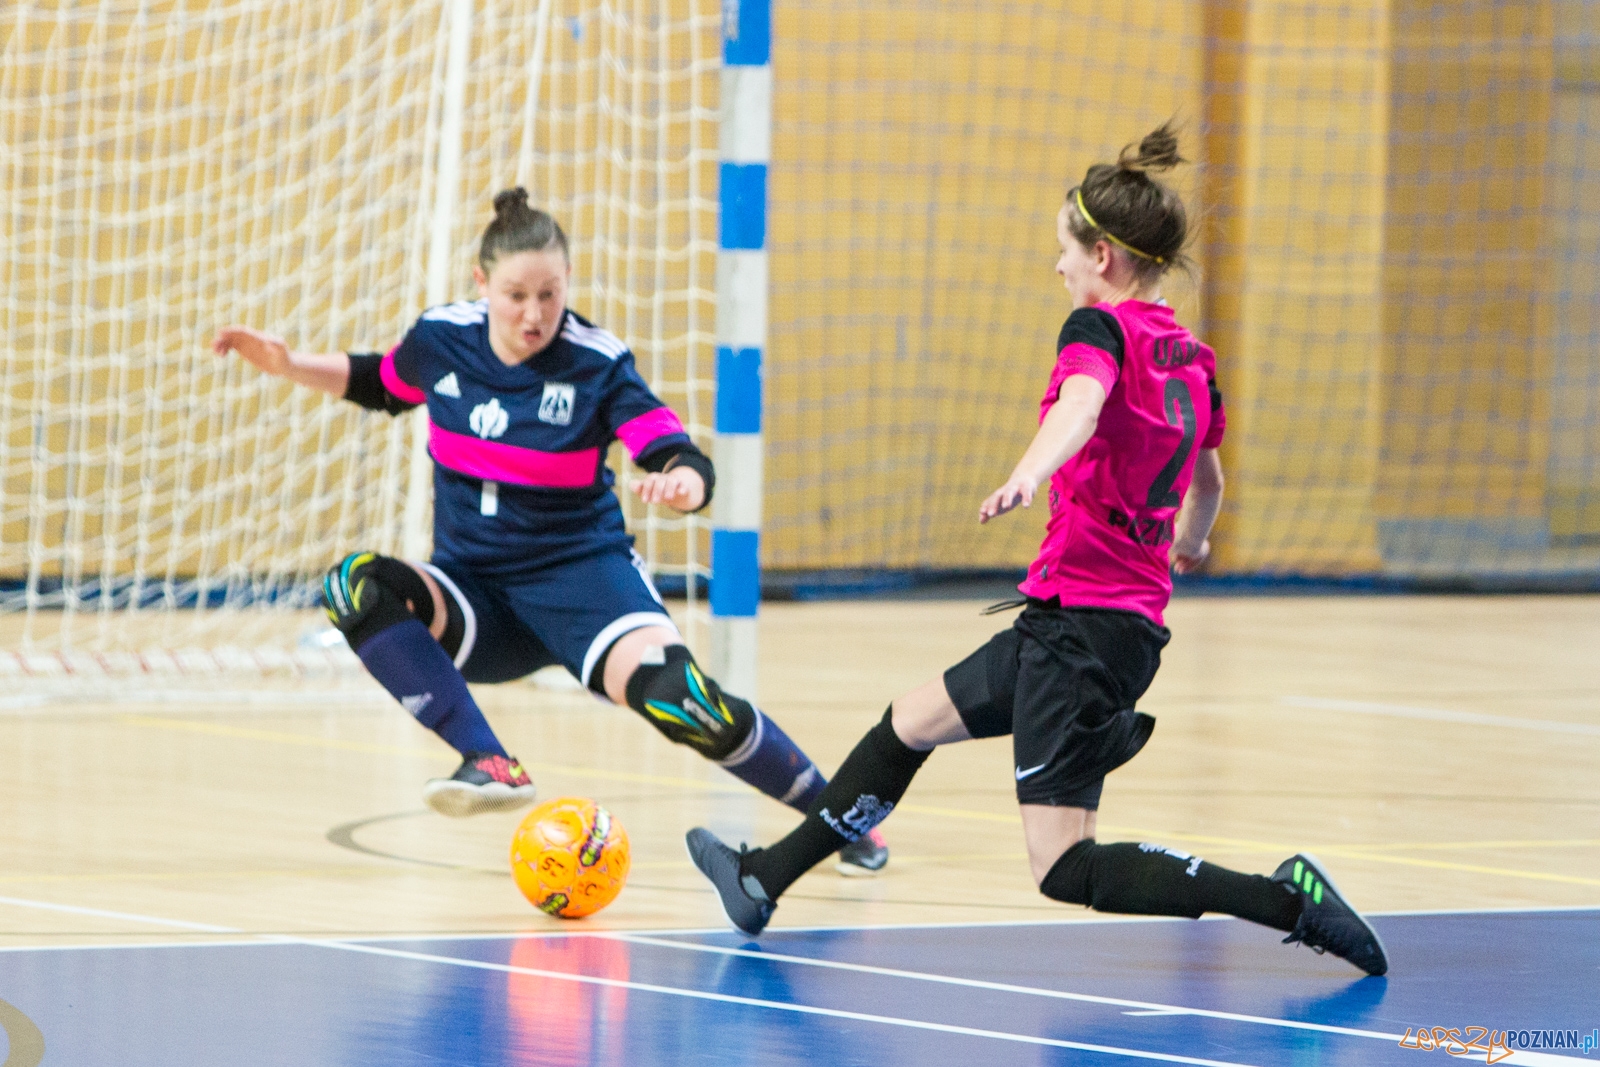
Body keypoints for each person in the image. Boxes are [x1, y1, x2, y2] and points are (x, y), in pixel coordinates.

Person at [685, 126, 1387, 973]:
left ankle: (1287, 900)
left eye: (1064, 249)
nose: (1057, 267)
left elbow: (1082, 405)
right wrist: (1190, 546)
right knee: (911, 720)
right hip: (1094, 622)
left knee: (1063, 866)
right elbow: (1209, 484)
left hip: (1082, 635)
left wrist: (1028, 471)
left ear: (1103, 255)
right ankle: (764, 878)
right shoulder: (1194, 362)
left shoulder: (1101, 330)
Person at [213, 188, 887, 875]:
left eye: (550, 294)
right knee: (351, 585)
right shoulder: (441, 339)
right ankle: (490, 761)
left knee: (690, 706)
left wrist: (682, 484)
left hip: (583, 585)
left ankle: (841, 819)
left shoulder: (596, 361)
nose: (534, 314)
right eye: (515, 295)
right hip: (475, 594)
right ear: (481, 284)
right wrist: (290, 364)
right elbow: (382, 383)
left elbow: (672, 450)